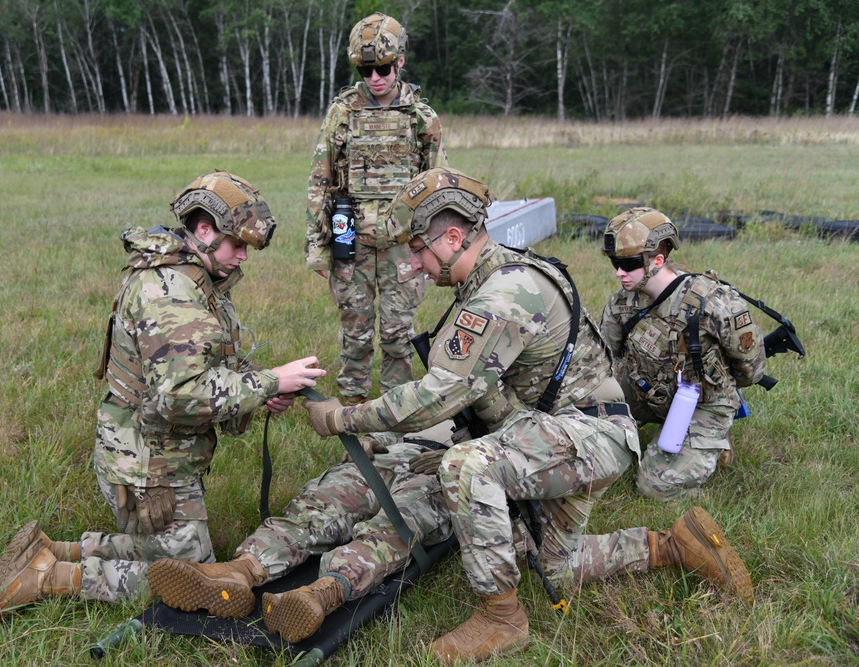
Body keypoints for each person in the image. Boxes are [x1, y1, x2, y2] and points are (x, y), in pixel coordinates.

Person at [304, 168, 754, 664]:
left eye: (417, 250)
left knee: (467, 467)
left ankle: (501, 619)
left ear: (453, 237)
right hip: (572, 428)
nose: (413, 266)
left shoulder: (503, 294)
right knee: (558, 567)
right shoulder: (499, 276)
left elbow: (437, 397)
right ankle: (674, 546)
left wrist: (344, 419)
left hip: (587, 434)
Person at [0, 171, 326, 616]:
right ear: (204, 230)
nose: (243, 256)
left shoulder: (192, 276)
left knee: (183, 560)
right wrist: (268, 382)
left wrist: (260, 393)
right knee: (197, 576)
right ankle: (50, 578)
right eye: (237, 243)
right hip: (149, 469)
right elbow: (180, 396)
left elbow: (205, 369)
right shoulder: (170, 293)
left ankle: (64, 549)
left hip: (153, 452)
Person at [146, 431, 452, 643]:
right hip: (395, 453)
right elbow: (401, 418)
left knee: (395, 526)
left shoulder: (498, 386)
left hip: (446, 469)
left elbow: (500, 451)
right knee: (318, 507)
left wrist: (461, 458)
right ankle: (238, 571)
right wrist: (373, 438)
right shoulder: (441, 378)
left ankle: (320, 595)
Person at [306, 12, 447, 406]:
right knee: (356, 332)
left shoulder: (421, 117)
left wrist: (437, 253)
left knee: (398, 334)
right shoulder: (342, 113)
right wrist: (318, 248)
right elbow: (321, 179)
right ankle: (351, 411)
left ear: (400, 62)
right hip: (350, 238)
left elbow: (439, 188)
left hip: (404, 246)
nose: (375, 78)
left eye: (383, 68)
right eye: (366, 70)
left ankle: (395, 412)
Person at [600, 207, 766, 500]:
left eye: (628, 264)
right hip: (649, 389)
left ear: (658, 260)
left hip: (702, 401)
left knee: (655, 488)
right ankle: (670, 432)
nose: (619, 272)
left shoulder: (713, 303)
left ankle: (710, 440)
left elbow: (751, 369)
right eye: (616, 263)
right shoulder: (621, 304)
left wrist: (714, 391)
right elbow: (605, 362)